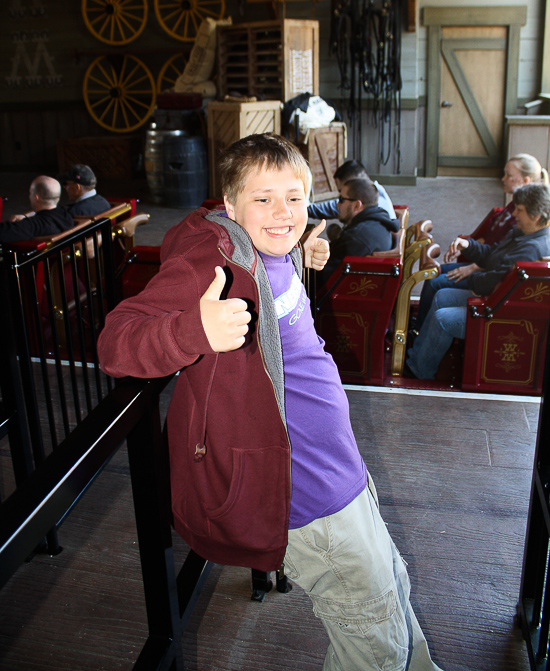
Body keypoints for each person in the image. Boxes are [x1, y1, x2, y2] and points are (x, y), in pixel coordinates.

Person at [97, 133, 443, 671]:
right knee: (372, 638)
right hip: (309, 496)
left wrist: (301, 257)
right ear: (230, 206)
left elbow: (278, 332)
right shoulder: (209, 266)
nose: (284, 213)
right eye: (263, 199)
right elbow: (115, 342)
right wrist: (193, 331)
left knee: (391, 593)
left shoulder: (267, 250)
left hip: (341, 471)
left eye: (295, 198)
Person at [405, 182, 550, 380]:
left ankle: (418, 371)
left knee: (442, 319)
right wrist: (468, 246)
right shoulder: (522, 234)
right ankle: (417, 357)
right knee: (441, 296)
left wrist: (471, 275)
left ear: (536, 216)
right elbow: (492, 257)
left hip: (498, 314)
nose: (514, 214)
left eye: (520, 210)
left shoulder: (531, 248)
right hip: (493, 299)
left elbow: (489, 283)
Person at [414, 153, 549, 331]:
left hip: (492, 300)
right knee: (436, 279)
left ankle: (418, 332)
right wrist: (468, 245)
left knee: (437, 292)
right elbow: (494, 252)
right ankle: (420, 332)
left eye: (509, 175)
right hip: (486, 275)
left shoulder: (529, 245)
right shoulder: (519, 223)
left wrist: (472, 269)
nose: (503, 179)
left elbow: (494, 278)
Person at [318, 177, 400, 287]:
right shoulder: (379, 220)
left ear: (357, 205)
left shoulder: (357, 238)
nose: (338, 204)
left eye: (341, 199)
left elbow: (325, 278)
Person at [308, 158, 397, 220]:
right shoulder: (374, 192)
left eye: (342, 193)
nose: (339, 203)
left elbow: (332, 207)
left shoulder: (372, 205)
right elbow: (332, 207)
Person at [0, 175, 74, 244]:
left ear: (36, 198)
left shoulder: (32, 225)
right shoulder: (66, 214)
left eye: (30, 192)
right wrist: (25, 216)